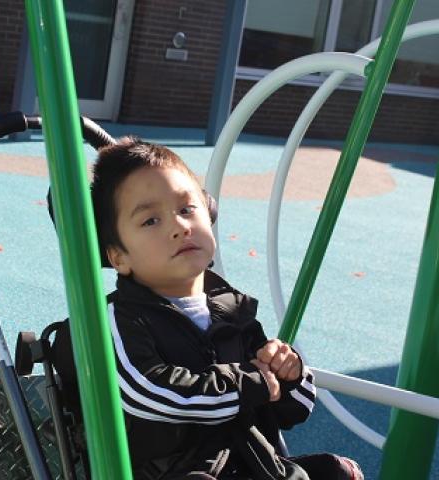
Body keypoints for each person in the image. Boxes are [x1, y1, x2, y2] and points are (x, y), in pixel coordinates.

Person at [84, 137, 362, 480]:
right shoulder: (120, 321)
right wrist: (246, 383)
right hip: (177, 471)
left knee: (337, 472)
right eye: (151, 221)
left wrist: (289, 375)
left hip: (255, 466)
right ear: (118, 257)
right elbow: (150, 394)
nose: (180, 226)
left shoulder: (234, 310)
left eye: (187, 209)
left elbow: (294, 411)